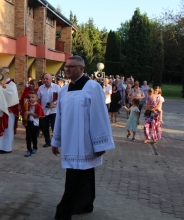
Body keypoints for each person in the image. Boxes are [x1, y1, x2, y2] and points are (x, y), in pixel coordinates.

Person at [51, 55, 115, 220]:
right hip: (69, 141)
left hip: (86, 142)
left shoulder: (93, 87)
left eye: (71, 67)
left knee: (75, 179)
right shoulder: (64, 90)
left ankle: (63, 212)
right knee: (86, 175)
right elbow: (59, 116)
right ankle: (86, 204)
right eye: (66, 67)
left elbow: (99, 116)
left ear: (81, 68)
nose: (67, 69)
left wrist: (100, 144)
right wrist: (55, 140)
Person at [0, 66, 19, 153]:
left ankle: (6, 147)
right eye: (0, 71)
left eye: (3, 72)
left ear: (8, 73)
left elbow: (12, 97)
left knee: (7, 129)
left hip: (8, 110)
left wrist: (0, 91)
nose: (1, 73)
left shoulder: (12, 84)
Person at [37, 73, 60, 148]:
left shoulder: (56, 87)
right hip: (44, 110)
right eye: (44, 79)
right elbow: (39, 99)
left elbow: (61, 98)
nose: (45, 80)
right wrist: (38, 109)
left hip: (54, 110)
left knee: (54, 127)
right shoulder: (41, 88)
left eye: (47, 79)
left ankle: (55, 142)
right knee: (44, 127)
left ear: (51, 79)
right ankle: (47, 141)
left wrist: (54, 103)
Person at [22, 92, 44, 157]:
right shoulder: (27, 105)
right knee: (28, 137)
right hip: (29, 123)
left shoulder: (38, 106)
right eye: (30, 97)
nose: (31, 99)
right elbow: (25, 114)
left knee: (34, 136)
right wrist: (24, 121)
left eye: (33, 97)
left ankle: (35, 147)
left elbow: (39, 115)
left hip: (35, 123)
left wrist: (30, 113)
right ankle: (29, 149)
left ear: (37, 99)